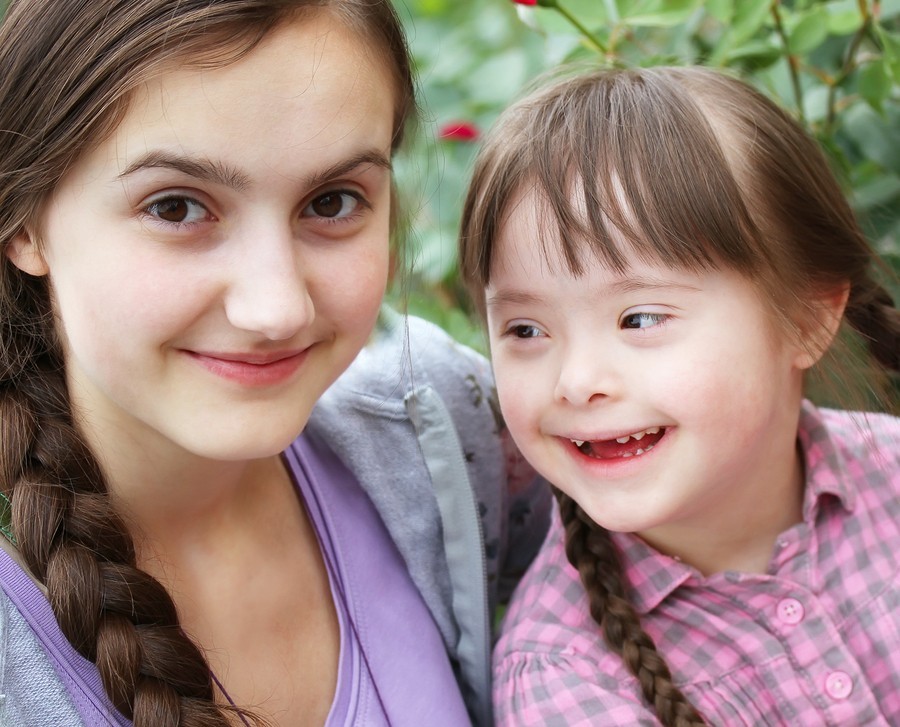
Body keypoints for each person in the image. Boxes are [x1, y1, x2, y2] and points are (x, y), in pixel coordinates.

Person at [0, 1, 550, 725]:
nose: (277, 307)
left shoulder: (443, 434)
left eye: (332, 200)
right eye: (175, 207)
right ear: (25, 219)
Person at [457, 65, 900, 726]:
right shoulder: (564, 682)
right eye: (526, 329)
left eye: (640, 318)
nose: (576, 380)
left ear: (806, 317)